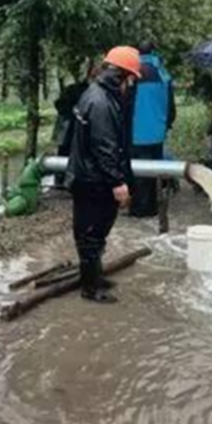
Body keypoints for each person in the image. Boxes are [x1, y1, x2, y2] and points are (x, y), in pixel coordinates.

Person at [66, 46, 140, 303]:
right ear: (121, 75)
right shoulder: (100, 102)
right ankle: (91, 288)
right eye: (131, 78)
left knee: (95, 234)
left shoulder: (98, 95)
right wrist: (117, 182)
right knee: (91, 236)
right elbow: (104, 147)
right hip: (92, 181)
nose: (131, 85)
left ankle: (94, 276)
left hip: (90, 177)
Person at [129, 42, 176, 217]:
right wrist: (166, 124)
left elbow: (127, 102)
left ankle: (140, 208)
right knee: (154, 170)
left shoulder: (134, 72)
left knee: (138, 171)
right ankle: (153, 207)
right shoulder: (163, 73)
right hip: (158, 131)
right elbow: (171, 105)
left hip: (137, 131)